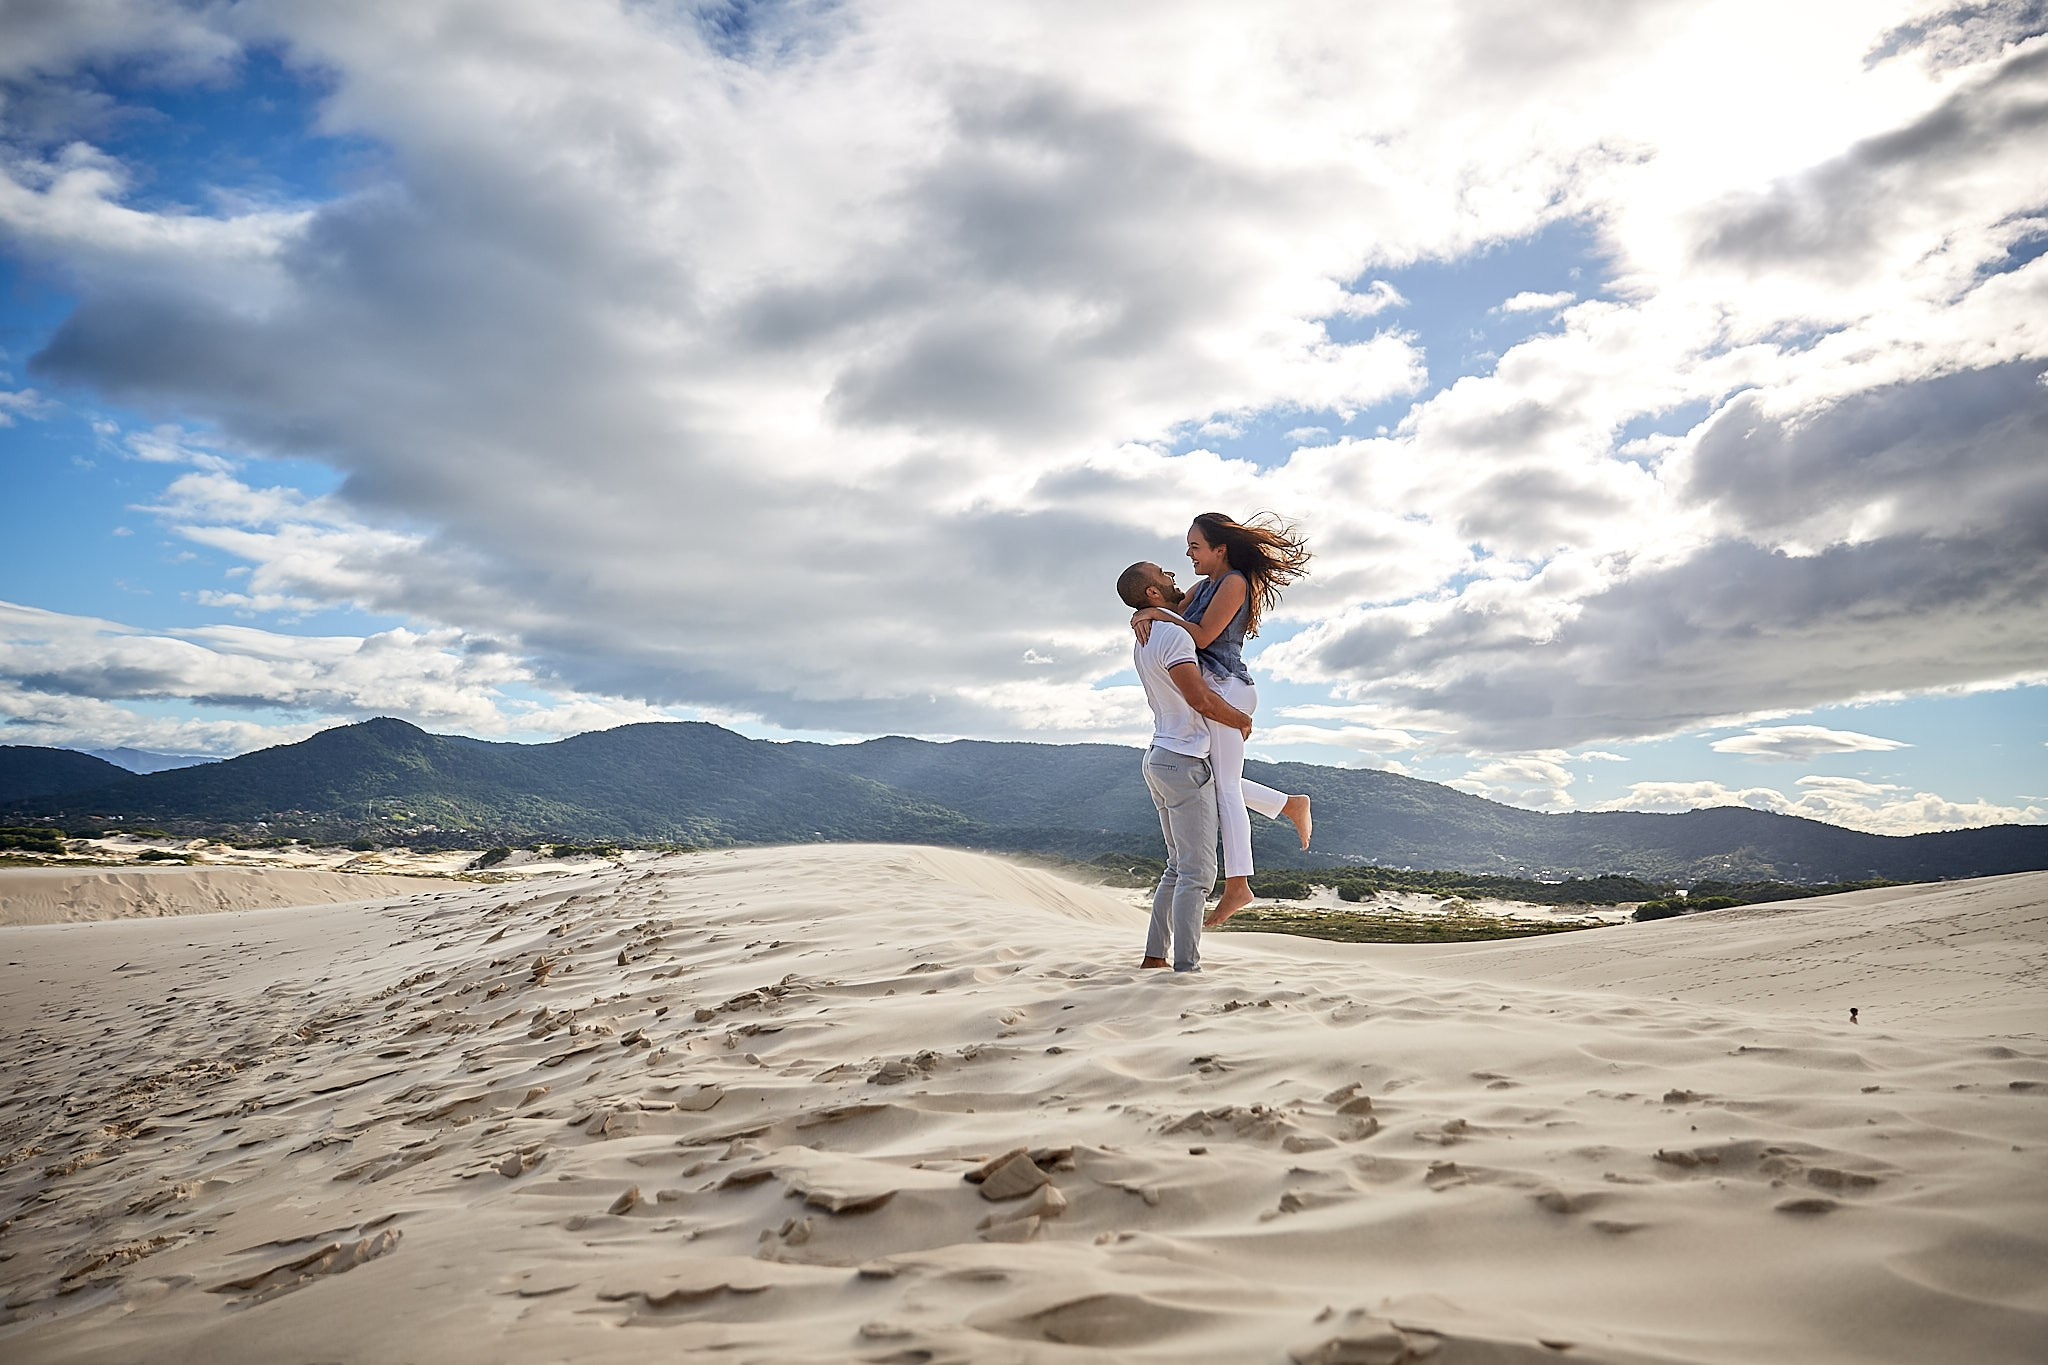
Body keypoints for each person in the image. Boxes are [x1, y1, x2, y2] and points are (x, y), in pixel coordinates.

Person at [1132, 511, 1313, 926]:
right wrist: (1143, 610)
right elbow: (1163, 602)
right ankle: (1289, 804)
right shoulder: (1203, 586)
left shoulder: (1233, 583)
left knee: (1225, 786)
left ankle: (1237, 886)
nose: (1189, 554)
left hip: (1229, 688)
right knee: (1213, 781)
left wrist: (1156, 615)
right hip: (1217, 688)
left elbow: (1201, 636)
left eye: (1196, 546)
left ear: (1221, 549)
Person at [1117, 560, 1255, 973]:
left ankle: (1155, 956)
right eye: (1164, 575)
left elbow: (1200, 588)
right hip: (1183, 761)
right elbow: (1199, 698)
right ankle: (1186, 967)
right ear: (1154, 592)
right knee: (1196, 875)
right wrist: (1240, 719)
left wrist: (1147, 612)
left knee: (1176, 869)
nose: (1174, 576)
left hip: (1158, 757)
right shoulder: (1174, 636)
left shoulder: (1147, 635)